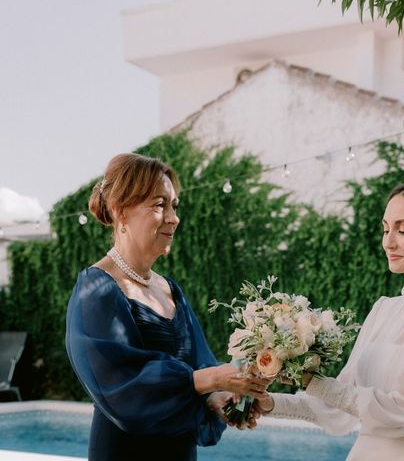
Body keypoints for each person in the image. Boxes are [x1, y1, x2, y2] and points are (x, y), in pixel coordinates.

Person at [254, 177, 404, 461]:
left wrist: (312, 380)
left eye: (403, 230)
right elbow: (341, 402)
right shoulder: (384, 308)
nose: (389, 242)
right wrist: (269, 403)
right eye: (386, 230)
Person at [65, 153, 270, 461]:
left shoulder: (170, 289)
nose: (174, 217)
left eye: (174, 205)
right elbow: (122, 387)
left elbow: (199, 366)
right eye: (159, 205)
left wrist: (221, 397)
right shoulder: (96, 289)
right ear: (121, 211)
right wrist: (214, 379)